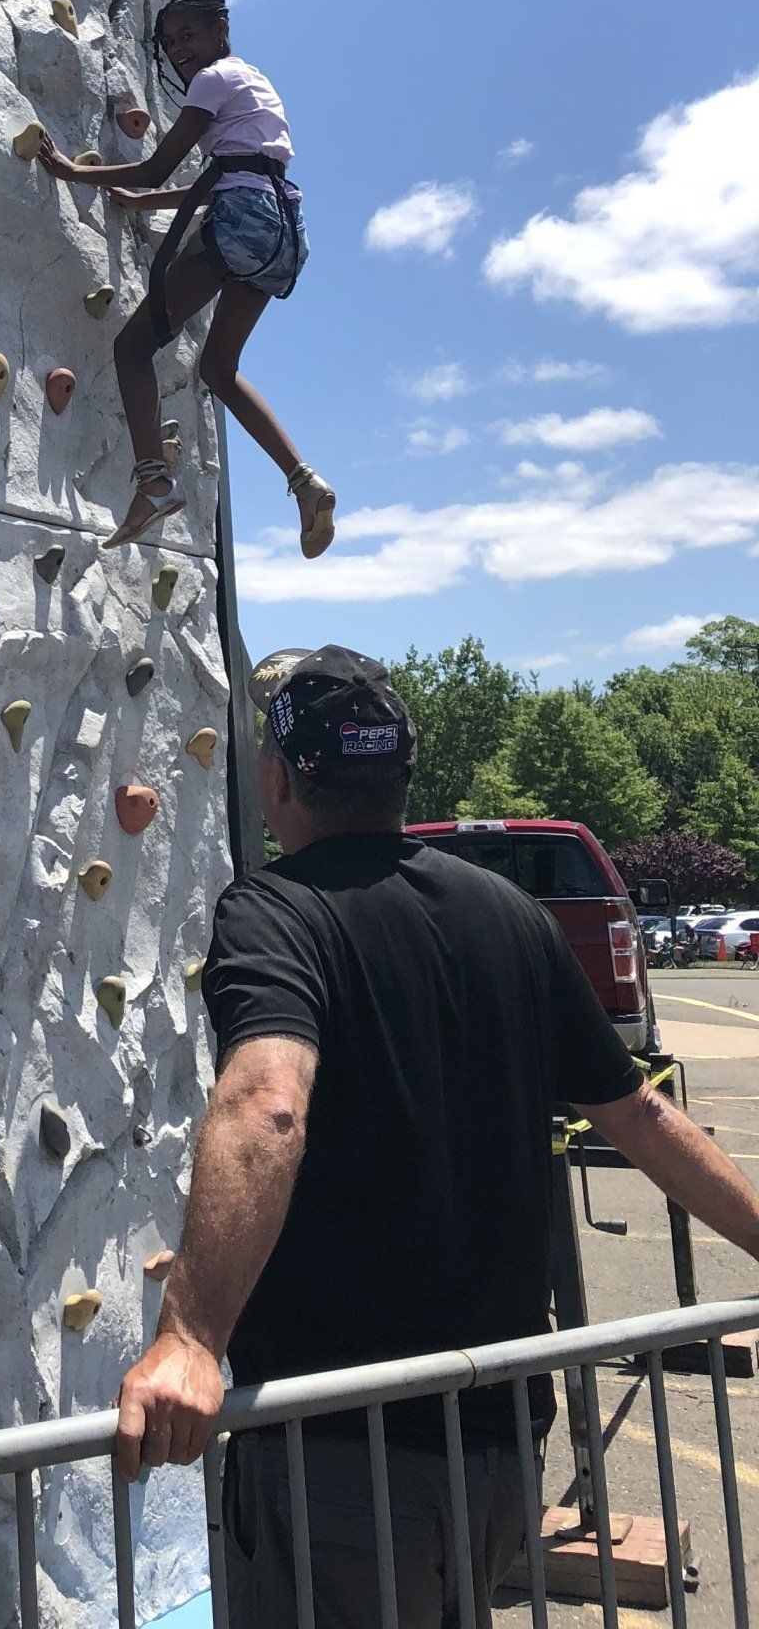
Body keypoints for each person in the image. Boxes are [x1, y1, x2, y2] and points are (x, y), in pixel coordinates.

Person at [113, 646, 759, 1627]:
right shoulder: (513, 913)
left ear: (280, 778)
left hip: (341, 1458)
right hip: (500, 1443)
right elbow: (641, 1114)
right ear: (403, 774)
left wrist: (191, 1337)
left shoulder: (278, 911)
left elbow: (269, 1103)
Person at [32, 0, 334, 556]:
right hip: (283, 232)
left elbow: (157, 167)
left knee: (132, 347)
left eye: (188, 37)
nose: (179, 52)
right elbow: (226, 177)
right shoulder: (256, 85)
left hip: (244, 222)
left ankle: (152, 481)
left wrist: (74, 172)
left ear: (221, 29)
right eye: (170, 44)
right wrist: (141, 206)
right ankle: (304, 481)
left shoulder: (212, 81)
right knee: (219, 370)